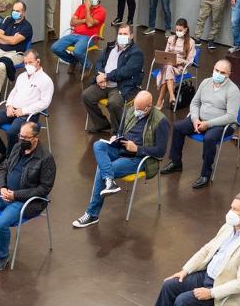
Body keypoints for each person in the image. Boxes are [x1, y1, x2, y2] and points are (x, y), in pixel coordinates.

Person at [0, 121, 57, 272]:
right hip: (5, 193)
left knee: (1, 223)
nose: (22, 140)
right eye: (21, 136)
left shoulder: (46, 158)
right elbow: (4, 168)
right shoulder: (17, 147)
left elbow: (44, 189)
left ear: (36, 138)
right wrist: (2, 187)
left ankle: (3, 256)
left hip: (25, 201)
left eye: (26, 137)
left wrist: (15, 195)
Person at [72, 91, 169, 228]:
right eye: (135, 107)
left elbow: (161, 151)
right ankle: (109, 182)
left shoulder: (161, 121)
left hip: (139, 158)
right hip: (121, 147)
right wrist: (116, 137)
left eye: (140, 109)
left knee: (102, 169)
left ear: (149, 106)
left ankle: (92, 214)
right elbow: (120, 131)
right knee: (98, 145)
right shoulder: (131, 111)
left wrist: (137, 149)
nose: (136, 111)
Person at [162, 59, 240, 189]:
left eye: (222, 72)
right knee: (178, 127)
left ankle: (205, 174)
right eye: (216, 70)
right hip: (199, 120)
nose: (218, 74)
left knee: (209, 138)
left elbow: (231, 116)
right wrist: (195, 119)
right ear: (213, 68)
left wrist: (208, 124)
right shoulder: (205, 82)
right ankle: (176, 162)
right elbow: (195, 103)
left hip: (222, 125)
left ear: (229, 74)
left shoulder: (233, 90)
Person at [0, 50, 53, 162]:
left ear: (38, 61)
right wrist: (9, 105)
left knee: (12, 132)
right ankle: (2, 151)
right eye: (25, 63)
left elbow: (45, 103)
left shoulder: (46, 80)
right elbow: (13, 92)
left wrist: (24, 110)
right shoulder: (22, 76)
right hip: (12, 110)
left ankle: (10, 159)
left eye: (30, 62)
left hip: (28, 115)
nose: (27, 65)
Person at [82, 24, 144, 134]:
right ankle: (101, 123)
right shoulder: (110, 47)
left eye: (125, 34)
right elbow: (99, 62)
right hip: (104, 82)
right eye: (120, 34)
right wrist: (100, 76)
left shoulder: (136, 53)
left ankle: (118, 131)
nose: (122, 36)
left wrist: (106, 76)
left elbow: (124, 72)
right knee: (86, 95)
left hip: (121, 86)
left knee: (114, 103)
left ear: (131, 36)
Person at [51, 0, 106, 71]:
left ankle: (88, 65)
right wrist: (84, 20)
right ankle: (73, 61)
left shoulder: (101, 11)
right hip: (74, 34)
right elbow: (72, 22)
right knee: (55, 47)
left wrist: (87, 8)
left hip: (89, 37)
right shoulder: (81, 7)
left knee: (77, 51)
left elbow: (90, 24)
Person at [154, 18, 196, 110]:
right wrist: (168, 59)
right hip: (168, 65)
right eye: (176, 30)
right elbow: (165, 54)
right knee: (168, 67)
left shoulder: (191, 42)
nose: (178, 32)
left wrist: (181, 61)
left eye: (180, 30)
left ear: (186, 29)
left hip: (180, 67)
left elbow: (190, 61)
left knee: (168, 69)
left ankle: (160, 100)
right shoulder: (171, 38)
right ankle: (171, 96)